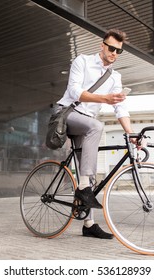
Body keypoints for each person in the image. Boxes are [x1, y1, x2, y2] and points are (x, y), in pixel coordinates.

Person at [56, 29, 137, 239]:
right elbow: (74, 91)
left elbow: (121, 108)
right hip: (68, 114)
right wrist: (104, 100)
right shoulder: (82, 61)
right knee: (97, 126)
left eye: (119, 51)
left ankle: (89, 223)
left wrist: (131, 133)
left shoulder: (115, 77)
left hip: (86, 123)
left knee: (89, 173)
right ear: (102, 45)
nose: (114, 54)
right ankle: (83, 187)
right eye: (111, 48)